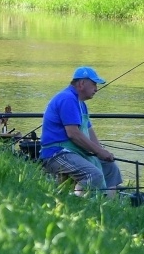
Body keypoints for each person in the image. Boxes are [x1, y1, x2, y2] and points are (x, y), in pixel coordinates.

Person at [39, 66, 122, 195]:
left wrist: (102, 152)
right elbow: (73, 133)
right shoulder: (68, 98)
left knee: (111, 168)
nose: (96, 88)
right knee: (93, 175)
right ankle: (77, 205)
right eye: (94, 84)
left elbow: (89, 131)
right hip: (56, 154)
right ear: (82, 83)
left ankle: (107, 206)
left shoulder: (81, 104)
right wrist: (98, 151)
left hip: (74, 152)